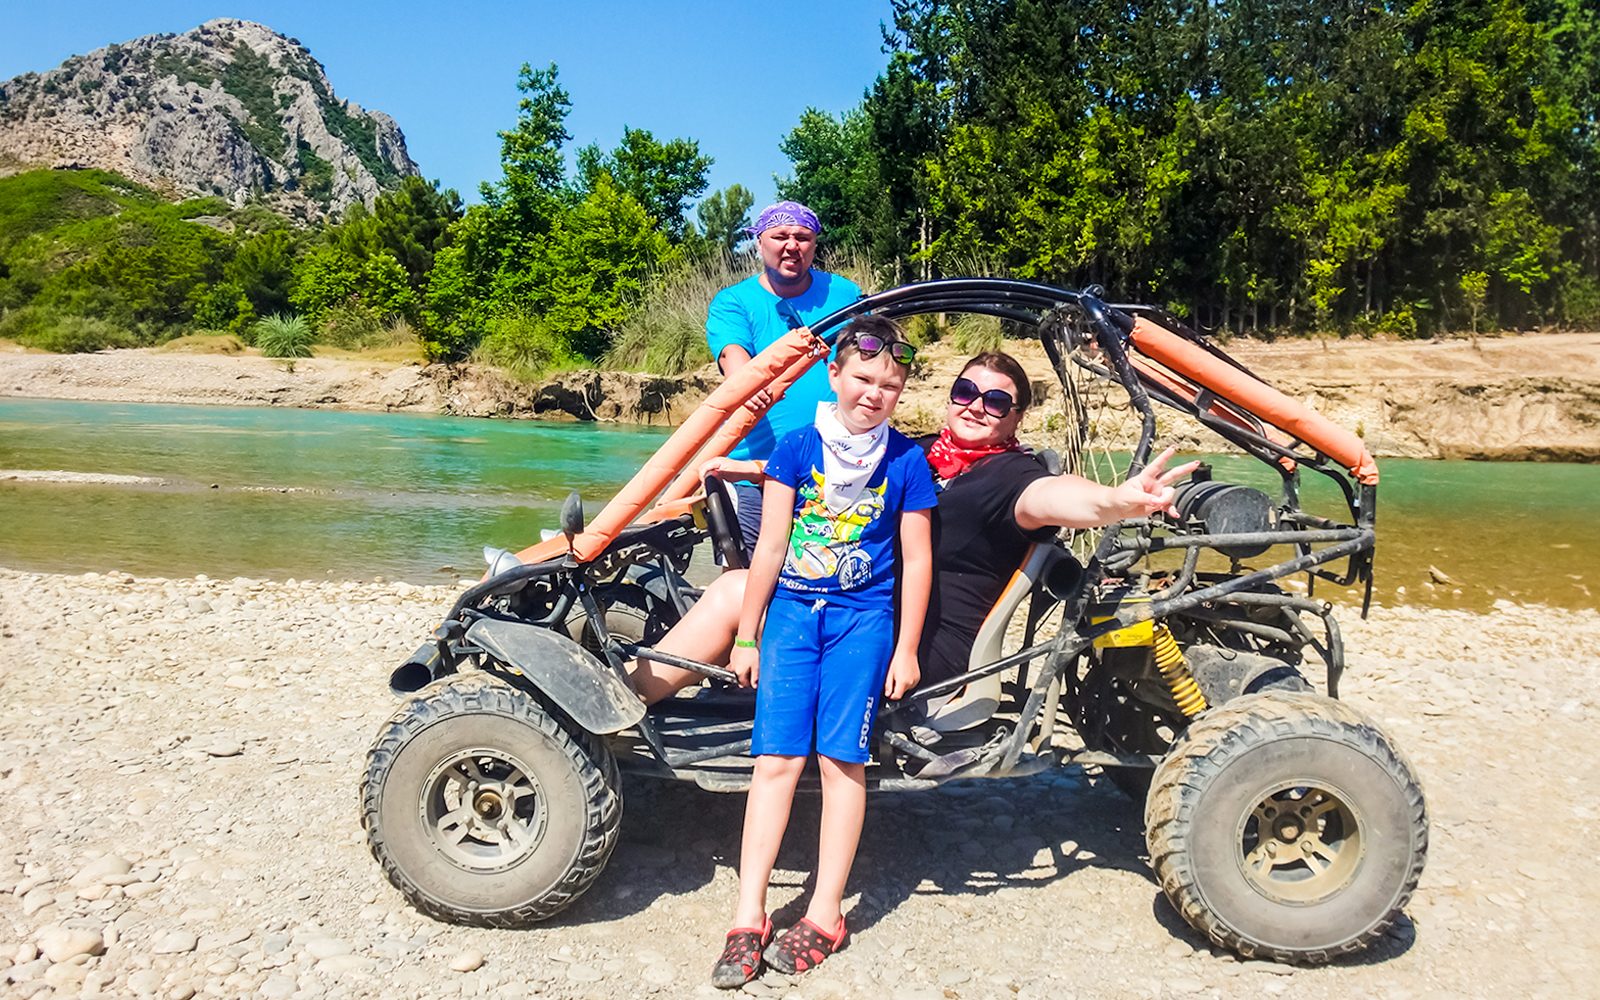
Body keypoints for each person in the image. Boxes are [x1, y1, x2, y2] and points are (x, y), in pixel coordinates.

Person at [627, 348, 1198, 706]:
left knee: (735, 590)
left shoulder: (1012, 478)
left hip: (919, 645)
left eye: (997, 401)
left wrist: (1117, 501)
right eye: (966, 392)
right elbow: (838, 466)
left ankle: (627, 703)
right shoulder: (921, 455)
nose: (976, 406)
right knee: (751, 578)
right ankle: (676, 677)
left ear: (1016, 417)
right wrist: (748, 467)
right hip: (866, 607)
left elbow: (1061, 497)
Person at [702, 317, 936, 988]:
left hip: (863, 624)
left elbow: (916, 562)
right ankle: (749, 915)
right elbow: (769, 548)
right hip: (792, 621)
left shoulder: (907, 463)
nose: (875, 393)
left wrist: (907, 648)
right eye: (863, 378)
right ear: (833, 375)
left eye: (891, 385)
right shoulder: (798, 447)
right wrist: (746, 634)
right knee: (775, 761)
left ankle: (826, 912)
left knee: (842, 764)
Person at [705, 201, 862, 553]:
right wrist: (747, 387)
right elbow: (734, 357)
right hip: (753, 472)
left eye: (803, 237)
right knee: (754, 578)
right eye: (780, 236)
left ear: (815, 245)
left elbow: (868, 363)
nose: (792, 245)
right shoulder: (734, 301)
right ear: (759, 243)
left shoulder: (846, 294)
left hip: (837, 465)